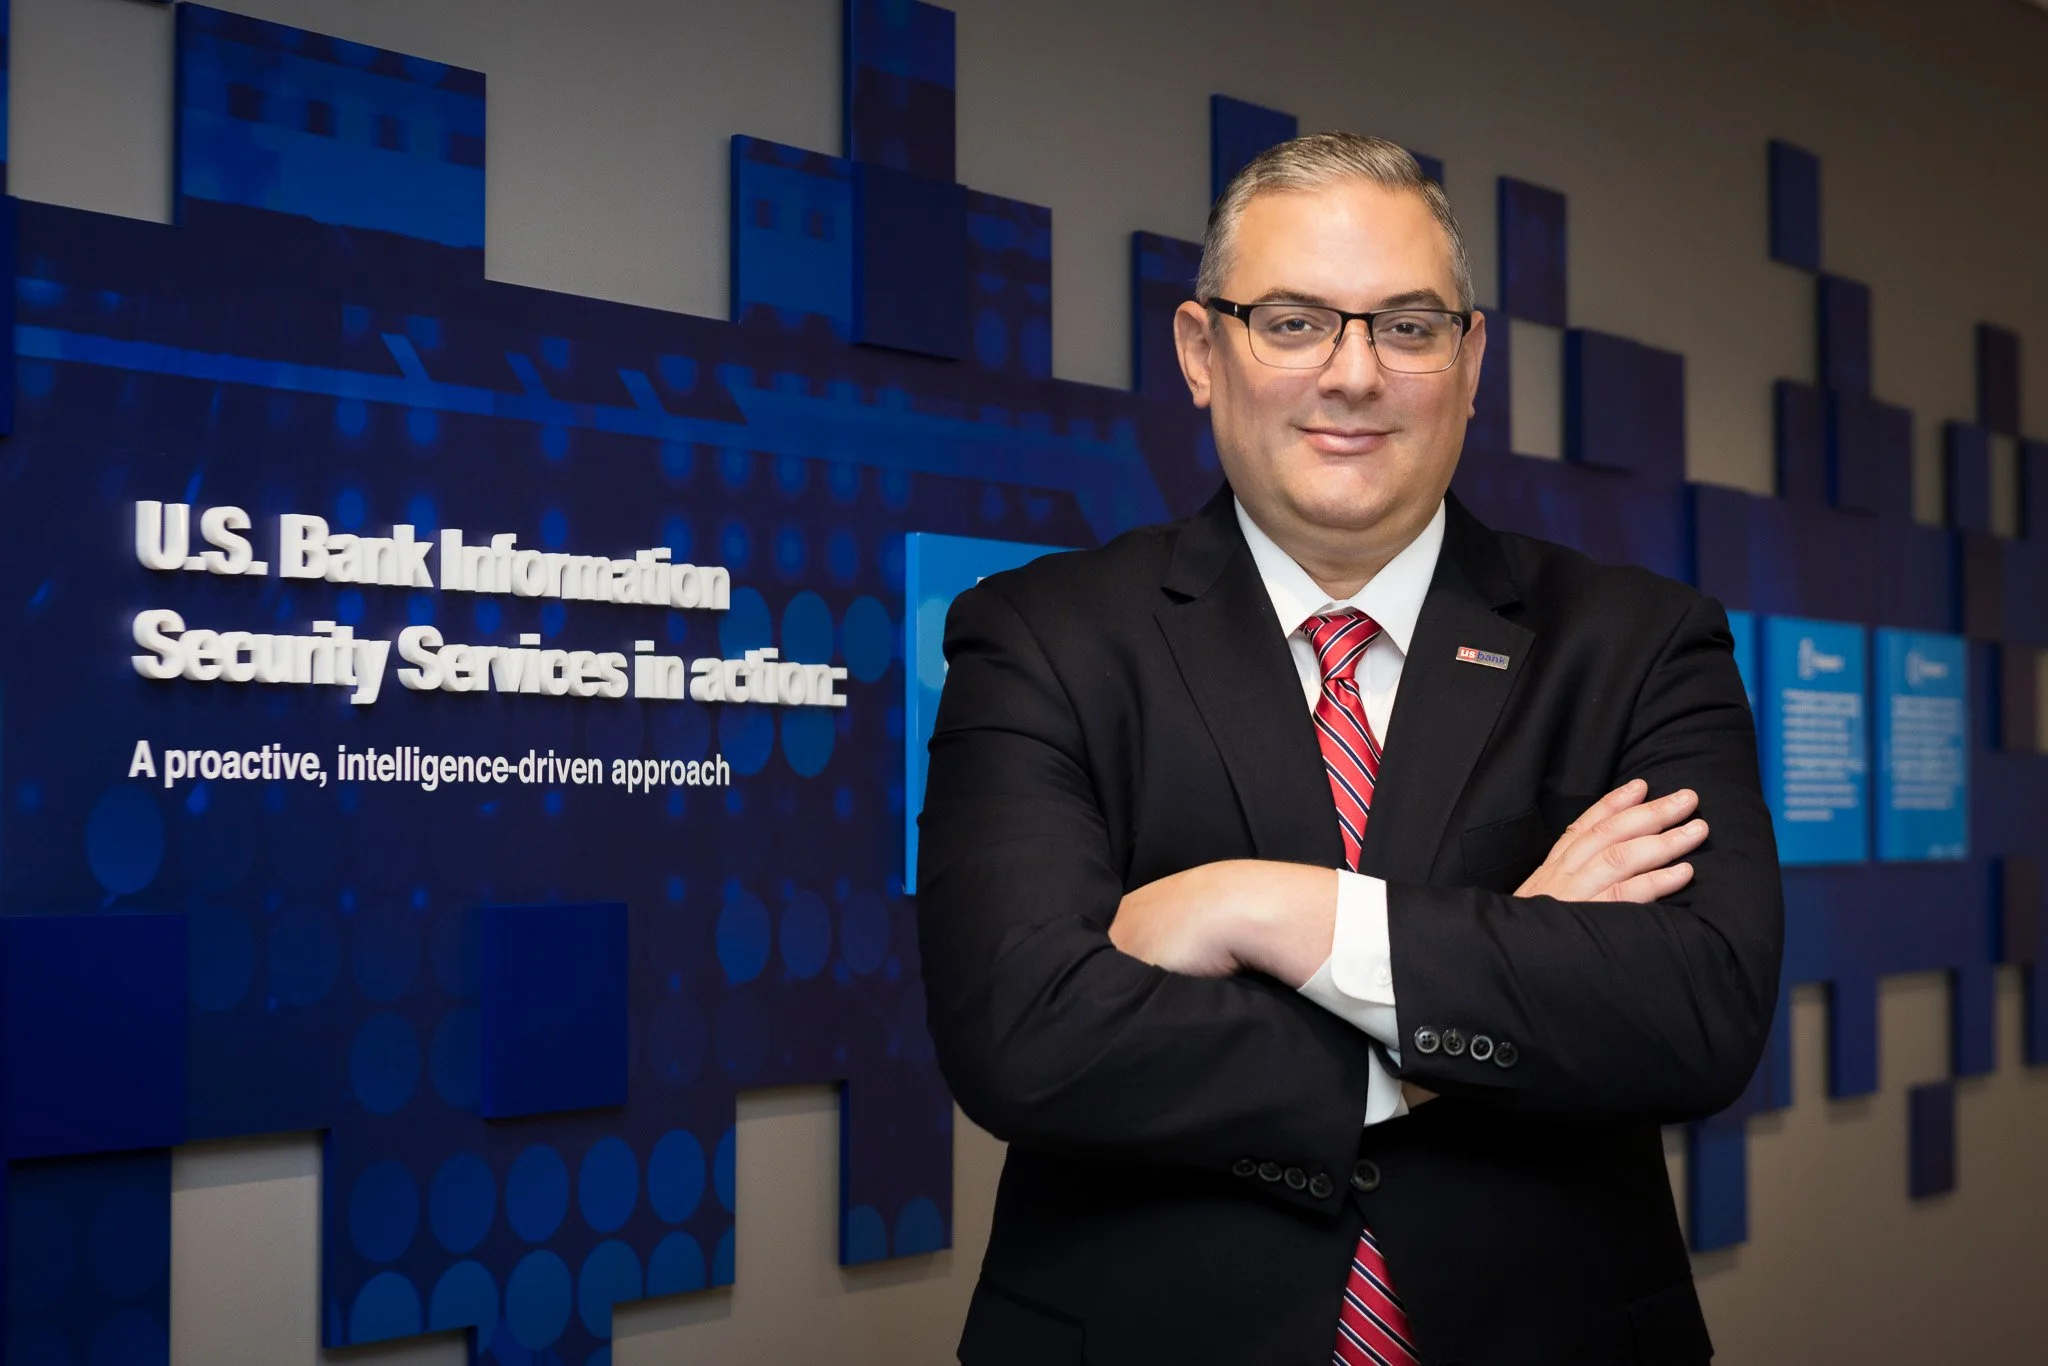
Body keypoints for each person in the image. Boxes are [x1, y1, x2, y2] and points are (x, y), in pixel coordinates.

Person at [916, 132, 1783, 1366]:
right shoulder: (1041, 636)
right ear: (1200, 352)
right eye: (1290, 321)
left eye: (1407, 326)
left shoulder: (1636, 644)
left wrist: (1269, 910)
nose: (1353, 374)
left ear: (1471, 360)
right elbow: (1025, 1036)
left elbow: (1696, 1011)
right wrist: (1488, 977)